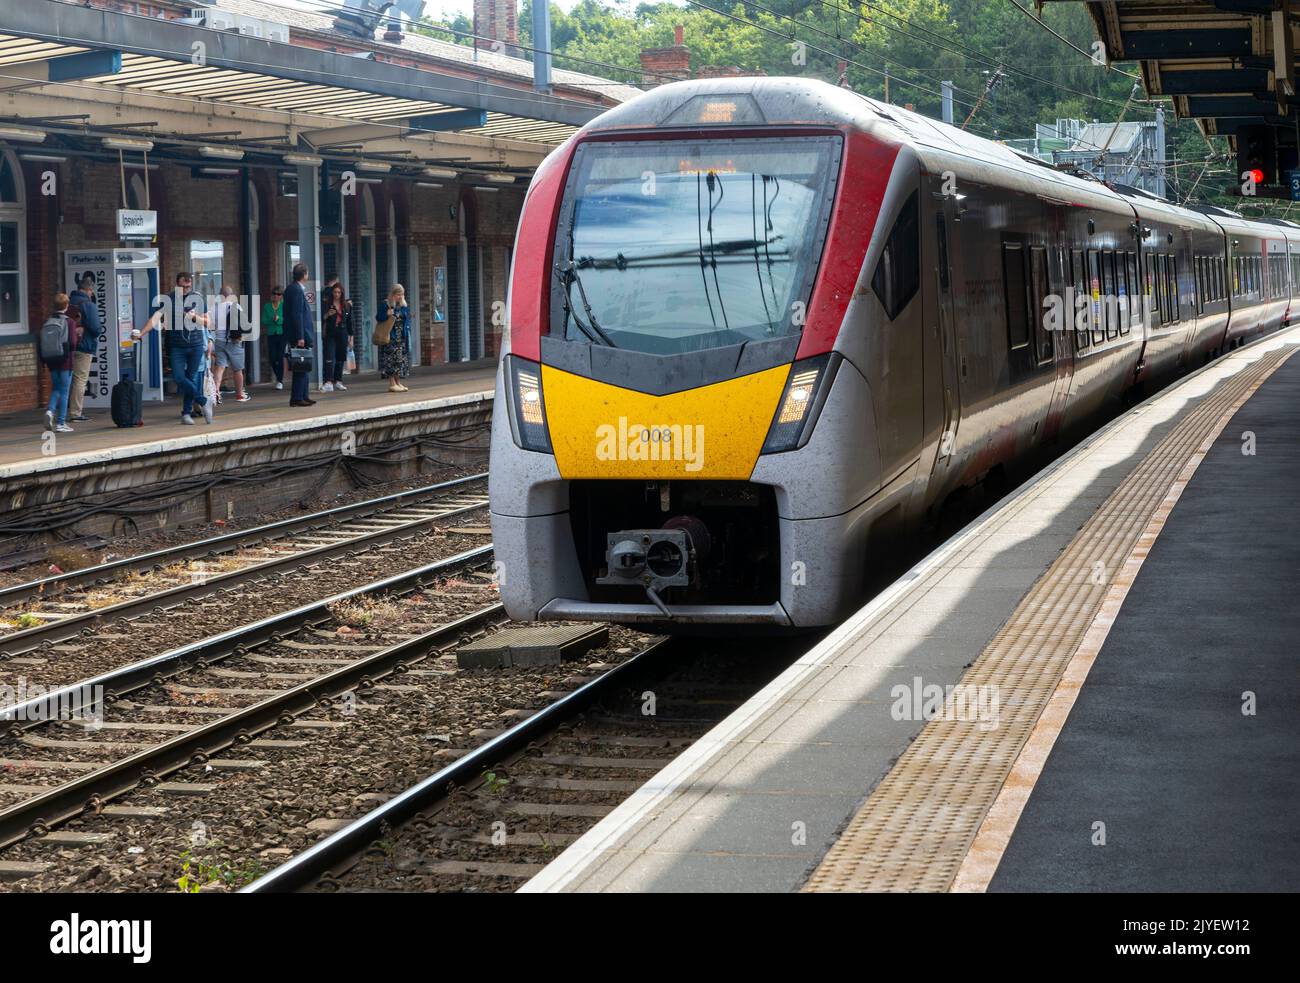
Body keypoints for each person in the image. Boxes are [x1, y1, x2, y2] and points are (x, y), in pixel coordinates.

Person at [133, 271, 212, 425]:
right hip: (178, 346)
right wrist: (142, 333)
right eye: (183, 287)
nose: (186, 290)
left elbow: (208, 323)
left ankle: (186, 413)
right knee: (178, 377)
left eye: (188, 287)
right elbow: (155, 318)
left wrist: (193, 317)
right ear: (177, 284)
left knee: (191, 378)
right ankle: (203, 401)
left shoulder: (198, 298)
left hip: (195, 345)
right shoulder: (168, 299)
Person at [66, 273, 102, 423]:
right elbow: (96, 328)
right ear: (88, 290)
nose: (92, 293)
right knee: (80, 379)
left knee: (66, 379)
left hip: (66, 346)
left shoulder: (68, 302)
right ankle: (76, 413)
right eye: (91, 290)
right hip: (83, 346)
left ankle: (59, 411)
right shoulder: (88, 304)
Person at [41, 293, 77, 434]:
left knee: (56, 388)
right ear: (67, 306)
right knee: (65, 391)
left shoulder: (47, 322)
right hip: (65, 360)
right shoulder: (70, 322)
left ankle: (50, 411)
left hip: (51, 360)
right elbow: (73, 343)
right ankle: (61, 423)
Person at [283, 262, 316, 408]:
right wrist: (300, 336)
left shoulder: (293, 289)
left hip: (300, 333)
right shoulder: (296, 290)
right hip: (300, 335)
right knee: (301, 364)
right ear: (304, 275)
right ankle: (297, 397)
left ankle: (303, 395)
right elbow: (297, 314)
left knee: (304, 364)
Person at [212, 284, 250, 403]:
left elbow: (210, 325)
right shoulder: (236, 306)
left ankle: (216, 393)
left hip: (219, 340)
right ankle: (239, 395)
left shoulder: (214, 308)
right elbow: (242, 323)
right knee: (238, 369)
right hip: (234, 341)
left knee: (220, 367)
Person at [376, 284, 411, 393]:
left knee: (400, 361)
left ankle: (398, 382)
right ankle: (392, 383)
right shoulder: (386, 304)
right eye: (398, 295)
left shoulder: (403, 306)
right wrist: (386, 314)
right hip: (390, 337)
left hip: (401, 337)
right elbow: (378, 318)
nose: (400, 297)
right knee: (391, 360)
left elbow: (406, 318)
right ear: (393, 294)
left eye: (402, 295)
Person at [321, 281, 353, 392]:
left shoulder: (347, 306)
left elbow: (350, 322)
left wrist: (351, 338)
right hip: (330, 333)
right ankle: (328, 381)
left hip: (342, 333)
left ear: (342, 293)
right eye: (335, 292)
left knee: (340, 358)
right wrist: (327, 315)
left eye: (339, 292)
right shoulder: (326, 304)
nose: (337, 294)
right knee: (329, 357)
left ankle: (338, 380)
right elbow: (321, 318)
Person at [262, 286, 285, 390]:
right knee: (272, 358)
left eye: (279, 294)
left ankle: (280, 380)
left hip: (281, 334)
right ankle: (278, 376)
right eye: (275, 294)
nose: (276, 296)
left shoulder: (284, 306)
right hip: (271, 333)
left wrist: (279, 319)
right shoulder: (267, 306)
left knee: (280, 357)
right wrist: (272, 319)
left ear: (281, 296)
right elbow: (263, 320)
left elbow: (287, 319)